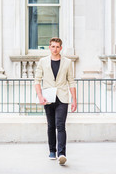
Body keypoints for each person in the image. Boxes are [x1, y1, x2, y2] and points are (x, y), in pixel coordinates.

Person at [35, 37, 77, 165]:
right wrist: (40, 96)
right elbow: (37, 81)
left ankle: (62, 153)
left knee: (60, 125)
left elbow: (71, 81)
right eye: (53, 46)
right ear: (49, 47)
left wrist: (74, 99)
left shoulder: (68, 62)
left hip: (62, 97)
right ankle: (52, 151)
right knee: (51, 125)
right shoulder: (42, 62)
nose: (55, 49)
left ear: (61, 48)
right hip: (48, 97)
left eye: (57, 47)